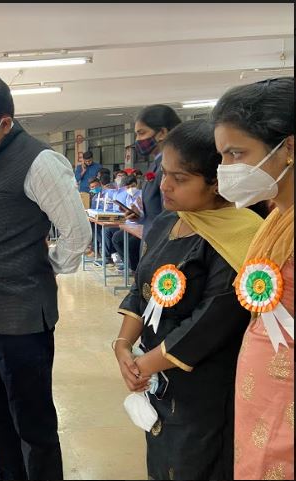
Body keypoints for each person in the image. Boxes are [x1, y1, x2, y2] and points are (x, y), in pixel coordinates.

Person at [0, 71, 92, 480]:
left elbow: (77, 233)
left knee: (32, 420)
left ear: (5, 123)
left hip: (20, 320)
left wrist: (40, 268)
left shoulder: (40, 162)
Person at [114, 120, 264, 480]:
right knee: (161, 458)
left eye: (179, 178)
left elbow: (212, 320)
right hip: (156, 375)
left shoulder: (240, 236)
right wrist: (122, 346)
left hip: (204, 384)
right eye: (164, 174)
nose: (165, 185)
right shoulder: (167, 223)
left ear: (216, 183)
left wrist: (144, 365)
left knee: (195, 464)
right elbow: (142, 289)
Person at [213, 77, 294, 481]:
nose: (226, 170)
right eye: (222, 156)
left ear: (289, 148)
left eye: (237, 153)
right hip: (263, 394)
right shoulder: (278, 216)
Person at [127, 105, 182, 237]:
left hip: (161, 240)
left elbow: (169, 216)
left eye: (141, 133)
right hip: (152, 237)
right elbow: (155, 210)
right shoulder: (156, 164)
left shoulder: (170, 167)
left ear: (162, 133)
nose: (137, 140)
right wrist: (140, 215)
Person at [111, 175, 144, 271]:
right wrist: (124, 211)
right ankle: (128, 264)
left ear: (136, 184)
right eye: (128, 187)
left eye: (132, 186)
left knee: (130, 244)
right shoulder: (128, 197)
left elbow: (144, 213)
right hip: (130, 225)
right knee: (116, 238)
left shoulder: (142, 195)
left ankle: (135, 268)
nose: (130, 189)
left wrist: (137, 214)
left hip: (140, 226)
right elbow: (128, 211)